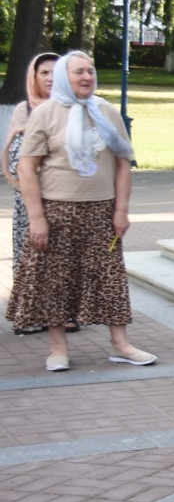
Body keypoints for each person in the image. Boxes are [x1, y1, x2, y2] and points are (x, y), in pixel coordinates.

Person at [7, 51, 154, 371]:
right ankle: (58, 348)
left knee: (110, 278)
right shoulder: (45, 113)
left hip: (101, 211)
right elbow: (26, 167)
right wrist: (36, 218)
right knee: (55, 281)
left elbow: (123, 163)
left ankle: (121, 345)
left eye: (90, 71)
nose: (87, 77)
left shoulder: (106, 111)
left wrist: (121, 210)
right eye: (78, 72)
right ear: (64, 76)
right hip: (56, 211)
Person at [6, 52, 60, 321]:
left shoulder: (71, 109)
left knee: (60, 257)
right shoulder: (24, 110)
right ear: (34, 77)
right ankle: (31, 314)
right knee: (31, 253)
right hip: (29, 198)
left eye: (56, 73)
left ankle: (61, 314)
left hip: (62, 196)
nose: (50, 78)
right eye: (44, 73)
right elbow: (15, 156)